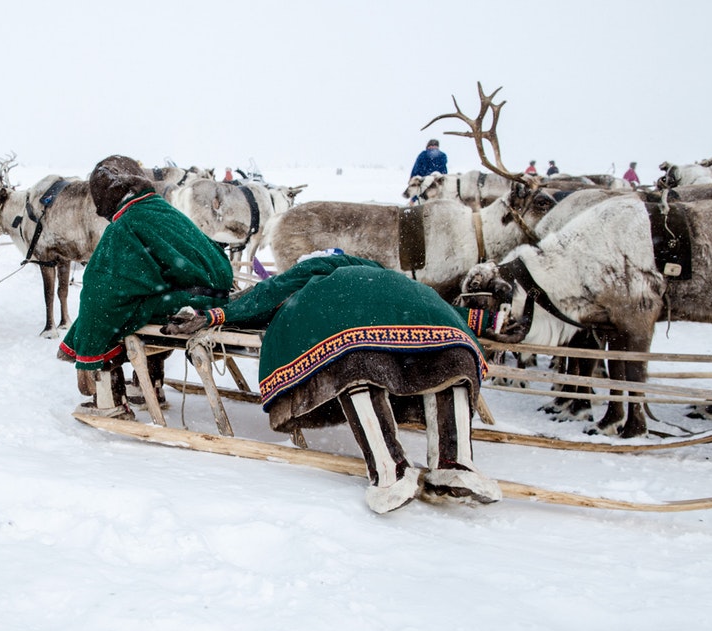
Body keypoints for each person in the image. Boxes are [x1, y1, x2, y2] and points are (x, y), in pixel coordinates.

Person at [162, 252, 520, 513]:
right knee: (449, 356)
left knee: (355, 363)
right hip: (413, 306)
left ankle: (390, 470)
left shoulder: (314, 269)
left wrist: (215, 314)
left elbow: (267, 295)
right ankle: (454, 463)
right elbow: (442, 307)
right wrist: (484, 320)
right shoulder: (386, 274)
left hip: (339, 310)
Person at [58, 154, 233, 418]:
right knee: (146, 299)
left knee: (104, 314)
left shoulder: (127, 223)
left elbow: (103, 289)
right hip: (212, 293)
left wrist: (91, 326)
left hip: (194, 301)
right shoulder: (160, 209)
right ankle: (149, 383)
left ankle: (108, 401)